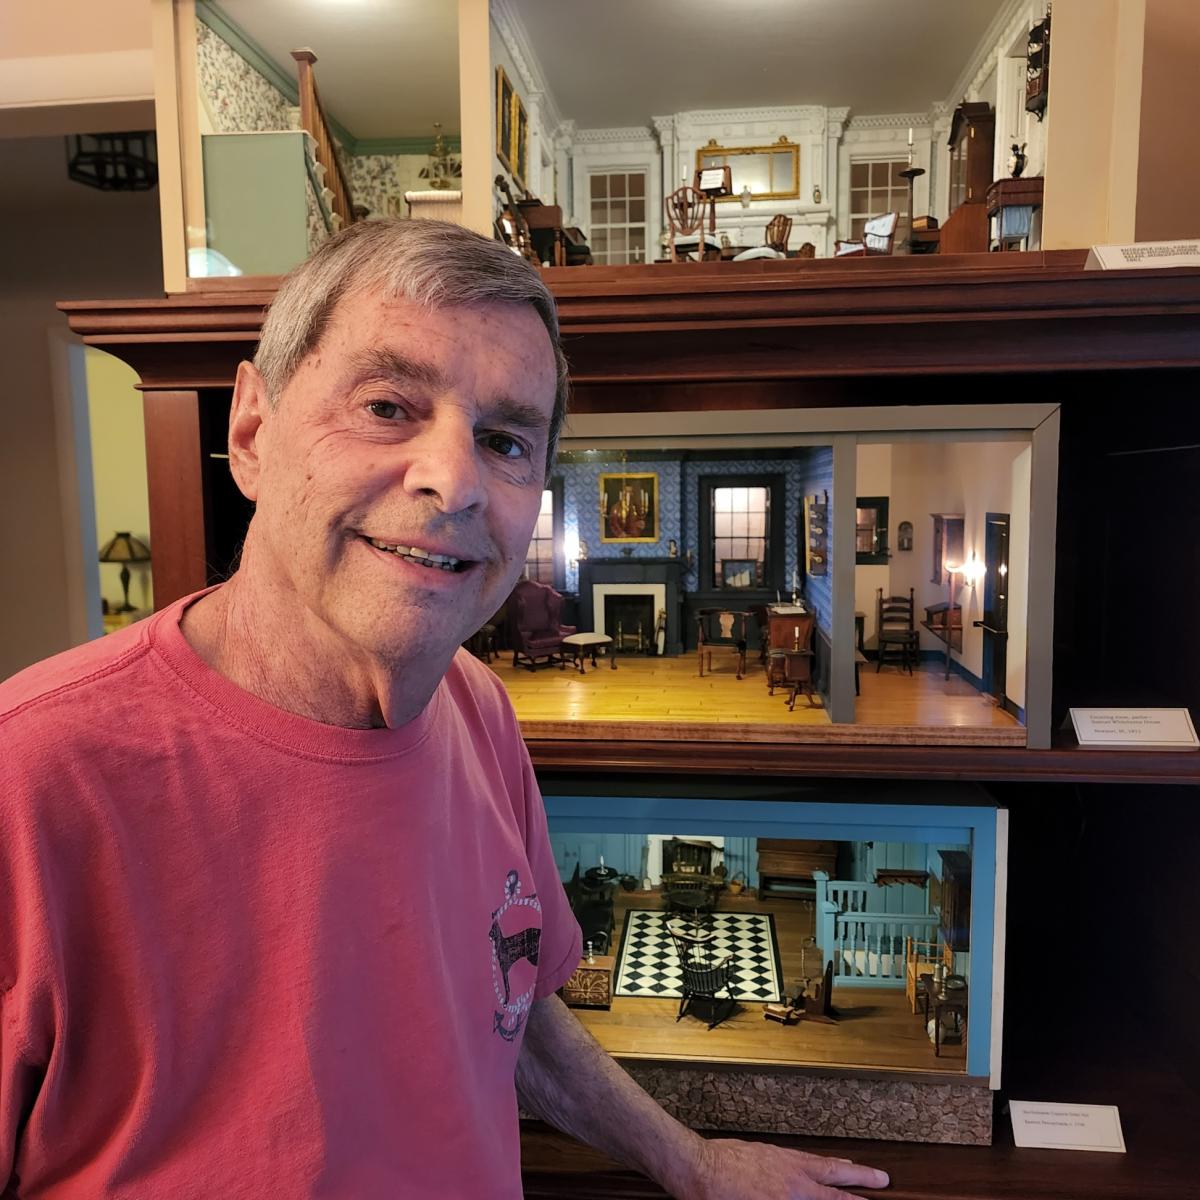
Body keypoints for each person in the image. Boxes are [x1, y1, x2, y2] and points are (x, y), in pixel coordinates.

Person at [0, 219, 889, 1199]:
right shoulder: (31, 779)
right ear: (251, 431)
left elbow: (516, 1007)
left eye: (505, 441)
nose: (455, 480)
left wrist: (692, 1158)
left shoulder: (477, 709)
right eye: (387, 406)